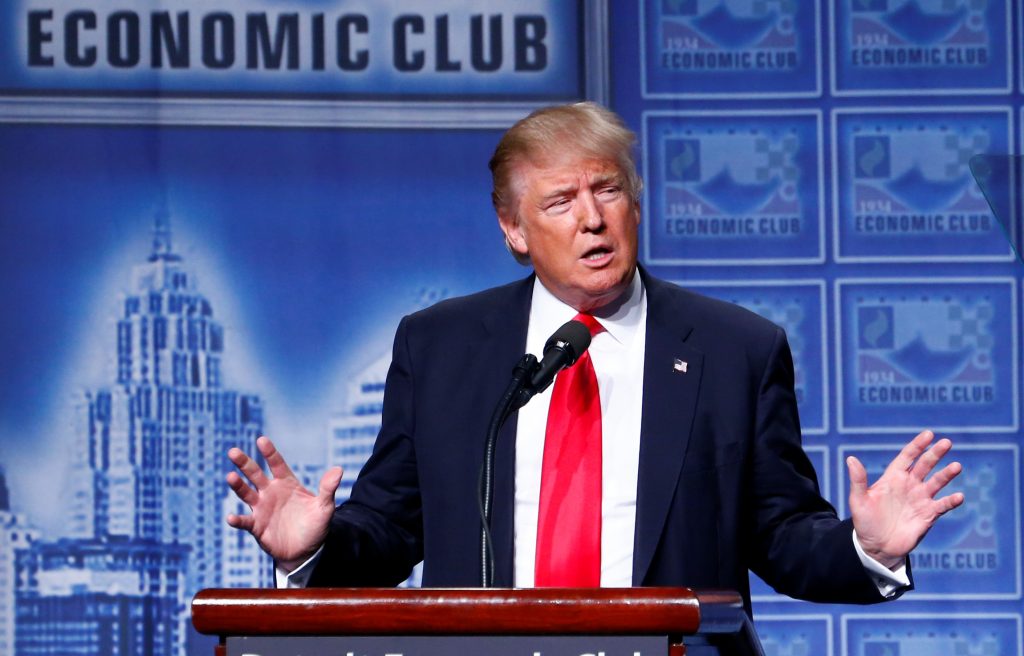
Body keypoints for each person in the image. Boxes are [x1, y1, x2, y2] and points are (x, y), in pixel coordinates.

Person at [226, 102, 963, 611]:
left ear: (635, 205)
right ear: (513, 229)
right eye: (559, 202)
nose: (591, 218)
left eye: (607, 190)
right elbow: (391, 530)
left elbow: (781, 535)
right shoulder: (441, 347)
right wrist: (311, 552)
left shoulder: (735, 349)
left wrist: (866, 549)